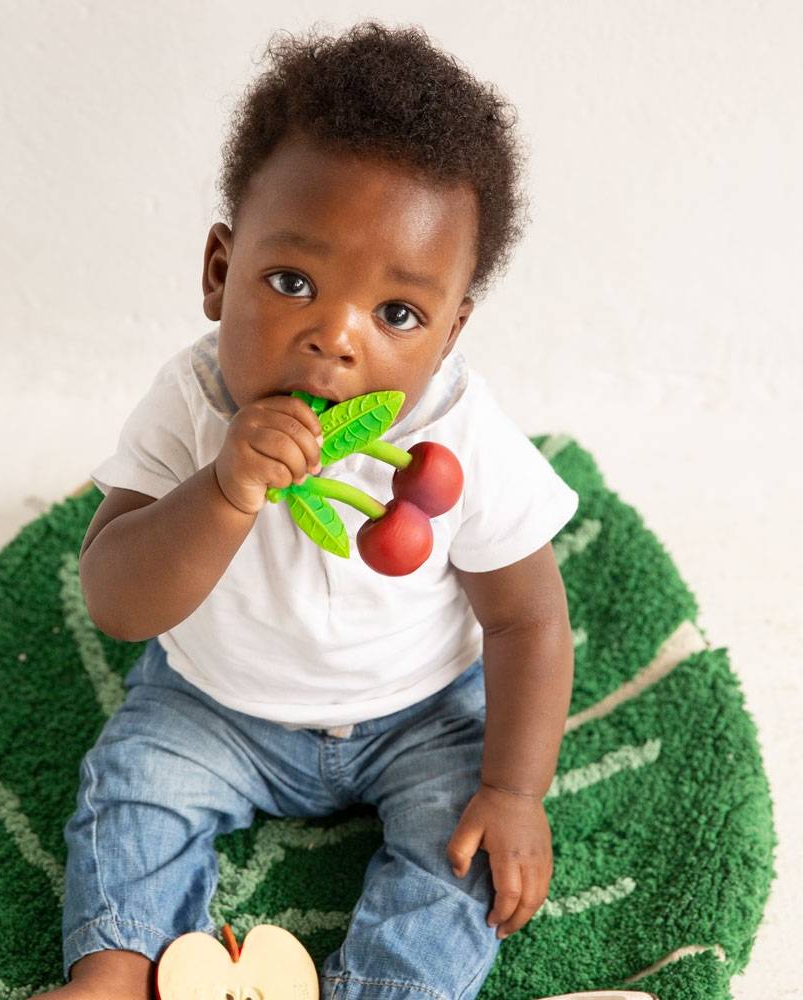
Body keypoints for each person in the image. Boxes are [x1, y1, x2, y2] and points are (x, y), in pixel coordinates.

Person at [40, 20, 579, 1000]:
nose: (334, 339)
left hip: (415, 714)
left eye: (397, 314)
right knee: (132, 783)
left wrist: (512, 789)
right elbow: (118, 602)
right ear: (219, 269)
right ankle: (115, 968)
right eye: (292, 283)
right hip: (213, 702)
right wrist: (223, 491)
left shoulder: (456, 437)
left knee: (460, 850)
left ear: (450, 331)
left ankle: (393, 987)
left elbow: (528, 616)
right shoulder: (190, 402)